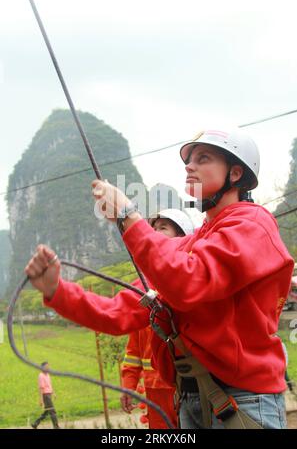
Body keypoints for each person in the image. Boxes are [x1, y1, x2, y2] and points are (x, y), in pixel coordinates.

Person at [25, 129, 294, 429]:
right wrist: (57, 291)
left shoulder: (252, 224)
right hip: (191, 400)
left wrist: (128, 216)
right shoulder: (187, 246)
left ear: (235, 172)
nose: (189, 166)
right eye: (188, 160)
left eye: (202, 158)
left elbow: (188, 280)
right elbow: (120, 311)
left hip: (242, 400)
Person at [120, 209, 194, 429]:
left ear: (183, 237)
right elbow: (134, 347)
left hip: (189, 384)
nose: (154, 233)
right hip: (155, 390)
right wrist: (129, 383)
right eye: (153, 228)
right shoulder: (141, 288)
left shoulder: (193, 281)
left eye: (163, 228)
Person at [31, 362, 60, 429]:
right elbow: (41, 388)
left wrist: (54, 393)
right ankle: (56, 426)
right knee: (52, 410)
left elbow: (50, 385)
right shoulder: (41, 376)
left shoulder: (48, 375)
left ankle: (35, 424)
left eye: (48, 366)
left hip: (49, 394)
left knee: (47, 411)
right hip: (45, 395)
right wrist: (41, 400)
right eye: (46, 367)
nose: (48, 368)